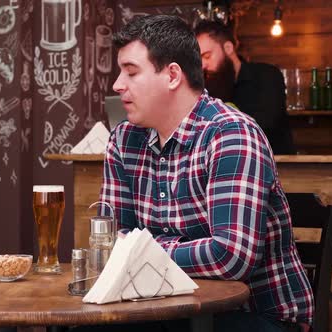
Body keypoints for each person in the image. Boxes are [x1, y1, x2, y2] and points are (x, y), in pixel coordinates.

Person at [98, 15, 313, 332]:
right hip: (164, 308)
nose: (117, 84)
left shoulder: (231, 134)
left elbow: (230, 256)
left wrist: (142, 250)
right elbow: (110, 245)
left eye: (131, 72)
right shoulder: (124, 140)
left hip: (255, 313)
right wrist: (133, 251)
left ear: (172, 76)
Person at [194, 20, 296, 155]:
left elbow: (266, 125)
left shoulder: (267, 75)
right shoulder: (206, 88)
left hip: (277, 166)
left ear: (228, 48)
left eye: (207, 56)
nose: (203, 65)